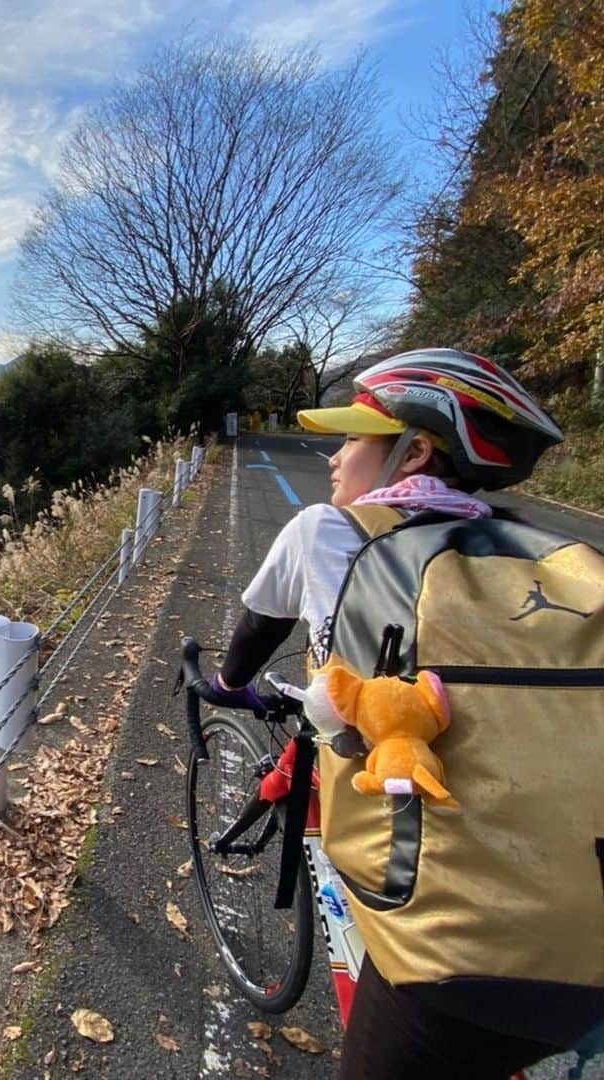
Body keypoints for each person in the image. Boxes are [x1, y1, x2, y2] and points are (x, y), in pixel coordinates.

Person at [211, 348, 601, 1078]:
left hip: (467, 946)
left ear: (414, 450)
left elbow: (252, 640)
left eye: (354, 437)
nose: (334, 457)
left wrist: (227, 684)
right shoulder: (562, 562)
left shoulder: (326, 531)